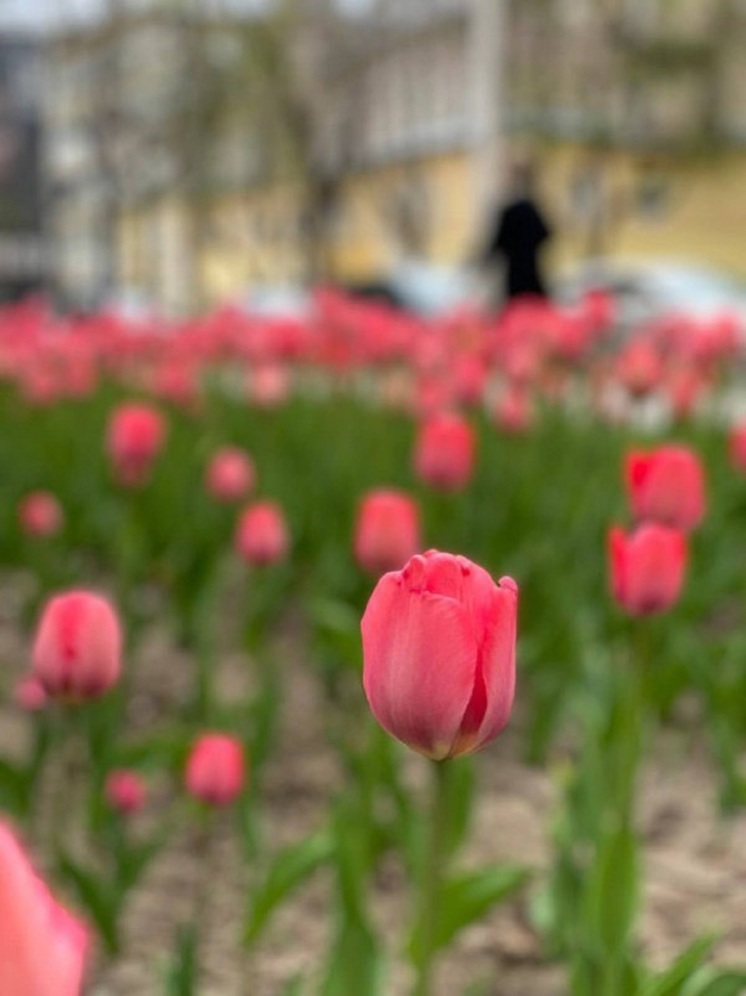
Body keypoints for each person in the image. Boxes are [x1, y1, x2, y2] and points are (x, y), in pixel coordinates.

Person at [480, 161, 552, 304]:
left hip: (517, 279)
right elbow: (546, 235)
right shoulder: (531, 210)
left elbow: (497, 244)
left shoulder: (512, 212)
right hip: (531, 275)